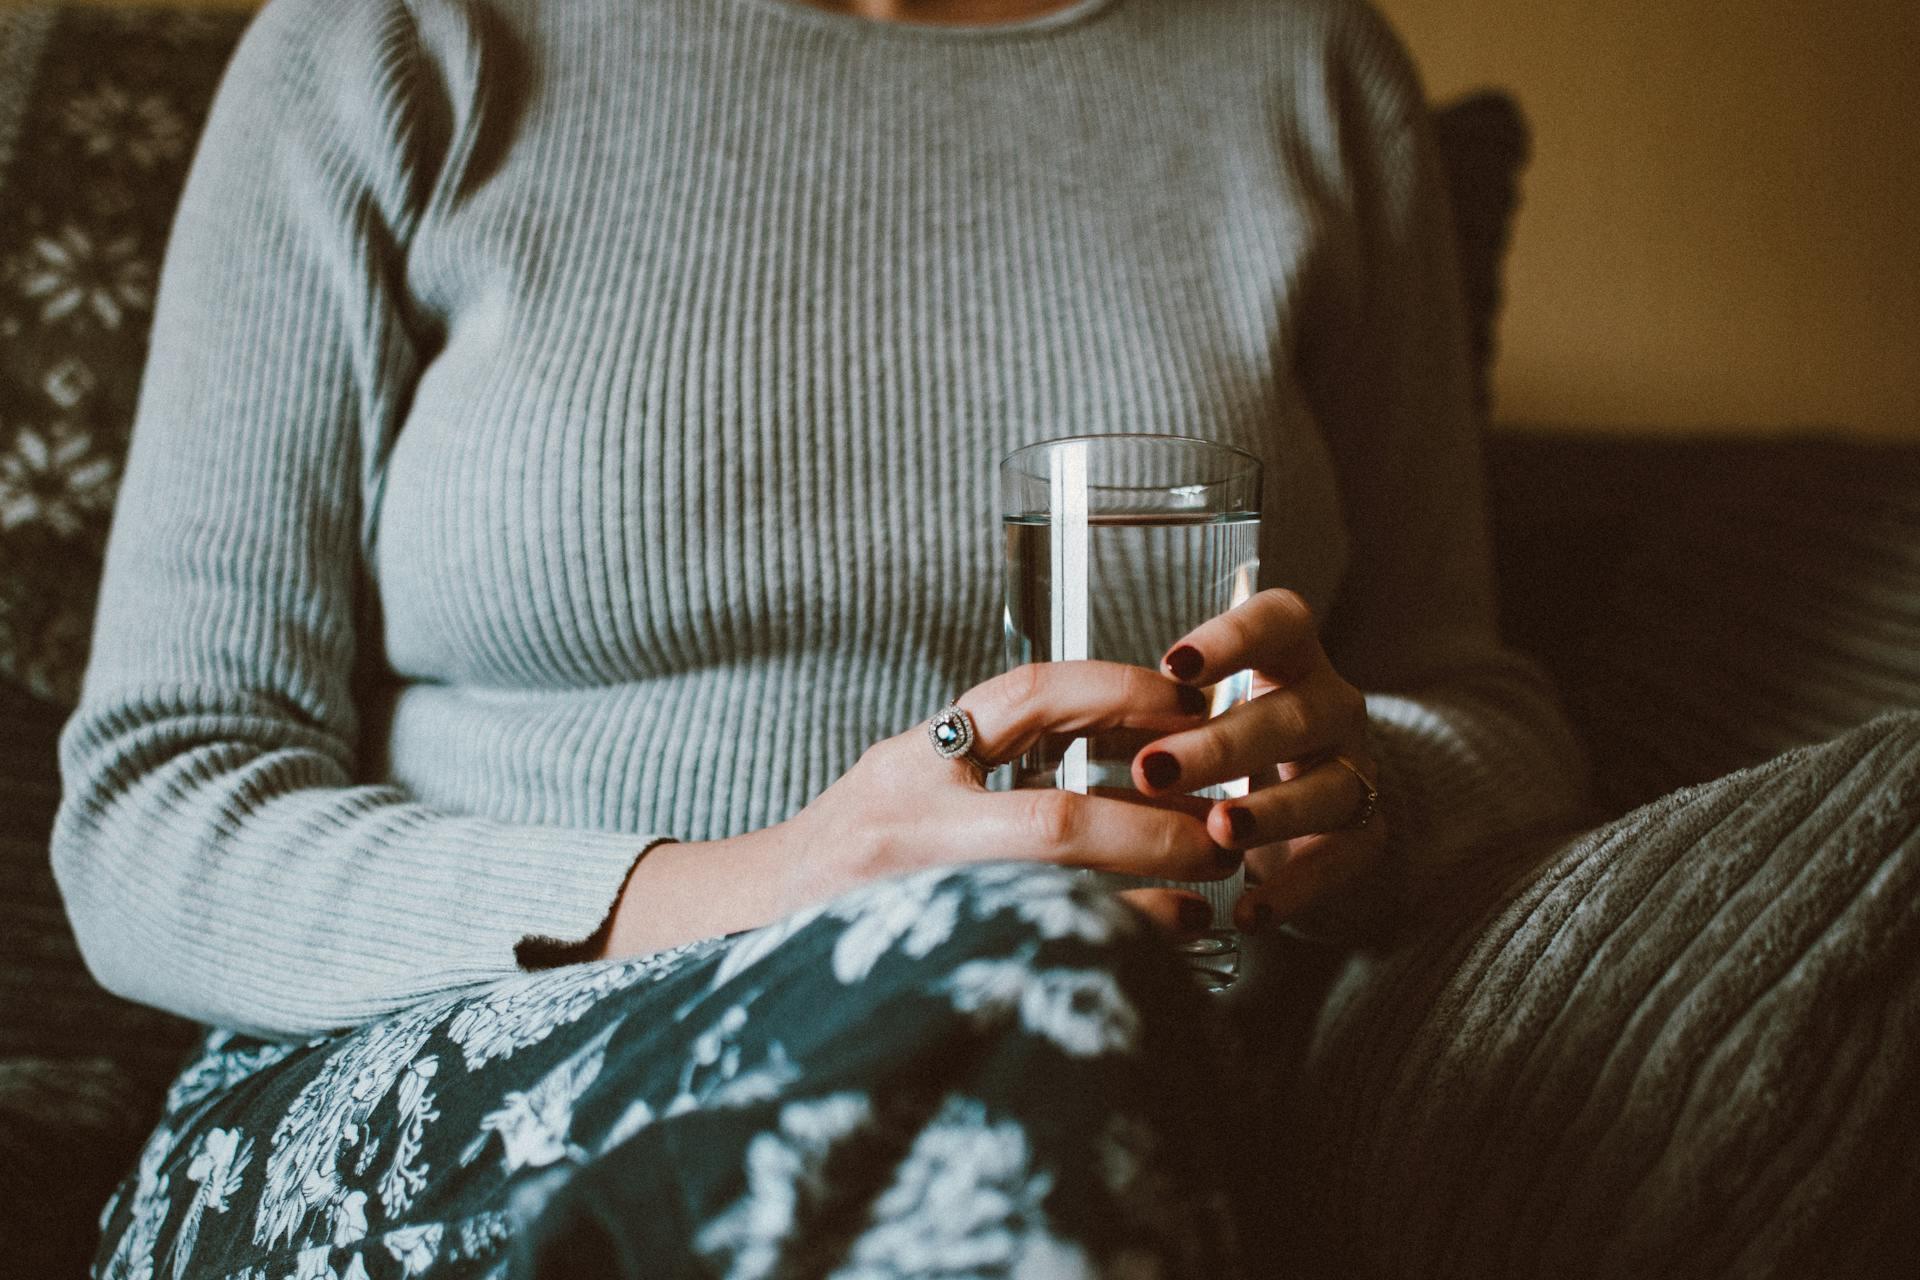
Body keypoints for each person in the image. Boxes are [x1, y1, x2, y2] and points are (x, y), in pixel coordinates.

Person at [53, 0, 1918, 1276]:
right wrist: (763, 890)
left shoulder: (1299, 62)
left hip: (1126, 1038)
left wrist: (1368, 796)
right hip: (443, 1074)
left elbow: (1479, 694)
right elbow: (155, 808)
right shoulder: (395, 44)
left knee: (1044, 999)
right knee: (1010, 974)